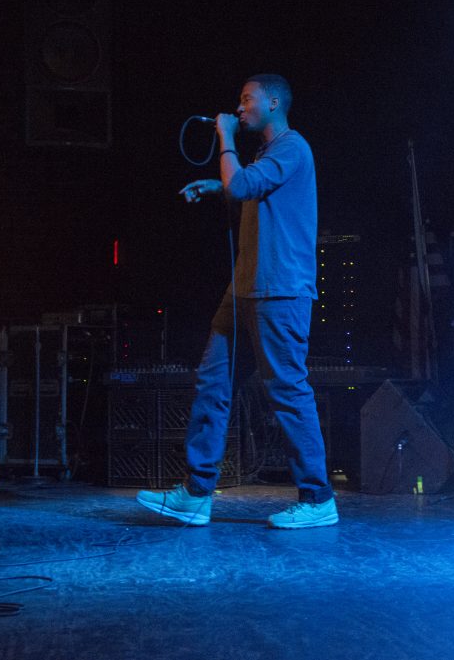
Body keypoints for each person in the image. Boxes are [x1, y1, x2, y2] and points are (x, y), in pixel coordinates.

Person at [136, 74, 338, 529]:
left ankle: (318, 498)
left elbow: (244, 187)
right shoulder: (265, 156)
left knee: (287, 390)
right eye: (239, 103)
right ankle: (196, 493)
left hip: (280, 291)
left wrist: (224, 138)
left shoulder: (292, 147)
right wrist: (217, 184)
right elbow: (244, 186)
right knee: (213, 381)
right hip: (244, 288)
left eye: (246, 101)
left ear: (271, 103)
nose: (239, 108)